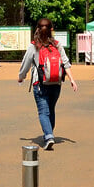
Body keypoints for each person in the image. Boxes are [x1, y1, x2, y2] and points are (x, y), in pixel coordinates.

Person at [18, 18, 78, 150]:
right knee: (51, 110)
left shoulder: (34, 45)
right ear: (51, 29)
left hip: (40, 83)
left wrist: (21, 77)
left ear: (37, 29)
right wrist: (72, 80)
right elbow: (66, 63)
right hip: (56, 83)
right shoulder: (57, 44)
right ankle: (49, 134)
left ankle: (49, 136)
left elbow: (26, 64)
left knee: (43, 112)